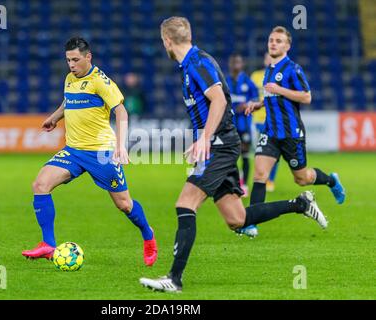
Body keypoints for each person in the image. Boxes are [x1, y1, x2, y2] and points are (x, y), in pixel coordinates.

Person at [139, 17, 327, 293]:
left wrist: (204, 138)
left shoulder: (198, 63)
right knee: (237, 219)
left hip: (219, 145)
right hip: (218, 143)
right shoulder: (190, 64)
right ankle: (299, 204)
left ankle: (174, 279)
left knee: (185, 204)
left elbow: (219, 99)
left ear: (166, 41)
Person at [22, 37, 158, 267]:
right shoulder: (69, 78)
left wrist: (121, 146)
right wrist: (54, 118)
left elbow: (122, 112)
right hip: (74, 151)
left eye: (75, 60)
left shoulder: (101, 81)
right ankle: (48, 244)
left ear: (88, 57)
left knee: (124, 204)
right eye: (68, 60)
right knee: (40, 185)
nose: (71, 65)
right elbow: (68, 101)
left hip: (101, 153)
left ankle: (148, 235)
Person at [244, 26, 346, 210]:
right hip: (270, 131)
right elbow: (273, 97)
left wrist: (279, 89)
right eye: (271, 40)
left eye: (278, 41)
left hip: (291, 132)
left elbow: (307, 96)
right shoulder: (269, 69)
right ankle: (251, 221)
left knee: (302, 179)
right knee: (260, 175)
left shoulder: (293, 69)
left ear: (287, 46)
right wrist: (259, 104)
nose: (273, 44)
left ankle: (331, 181)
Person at [226, 53, 259, 197]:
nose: (235, 65)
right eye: (233, 62)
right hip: (229, 125)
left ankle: (244, 185)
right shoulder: (225, 81)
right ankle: (233, 183)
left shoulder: (248, 82)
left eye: (238, 62)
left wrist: (247, 105)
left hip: (244, 124)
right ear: (230, 65)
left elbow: (257, 101)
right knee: (231, 155)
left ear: (242, 64)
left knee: (245, 153)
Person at [250, 52, 279, 193]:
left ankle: (270, 180)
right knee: (259, 152)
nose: (269, 60)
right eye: (267, 57)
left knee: (274, 153)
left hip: (273, 119)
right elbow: (250, 96)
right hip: (257, 120)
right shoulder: (255, 76)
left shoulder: (279, 77)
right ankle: (261, 178)